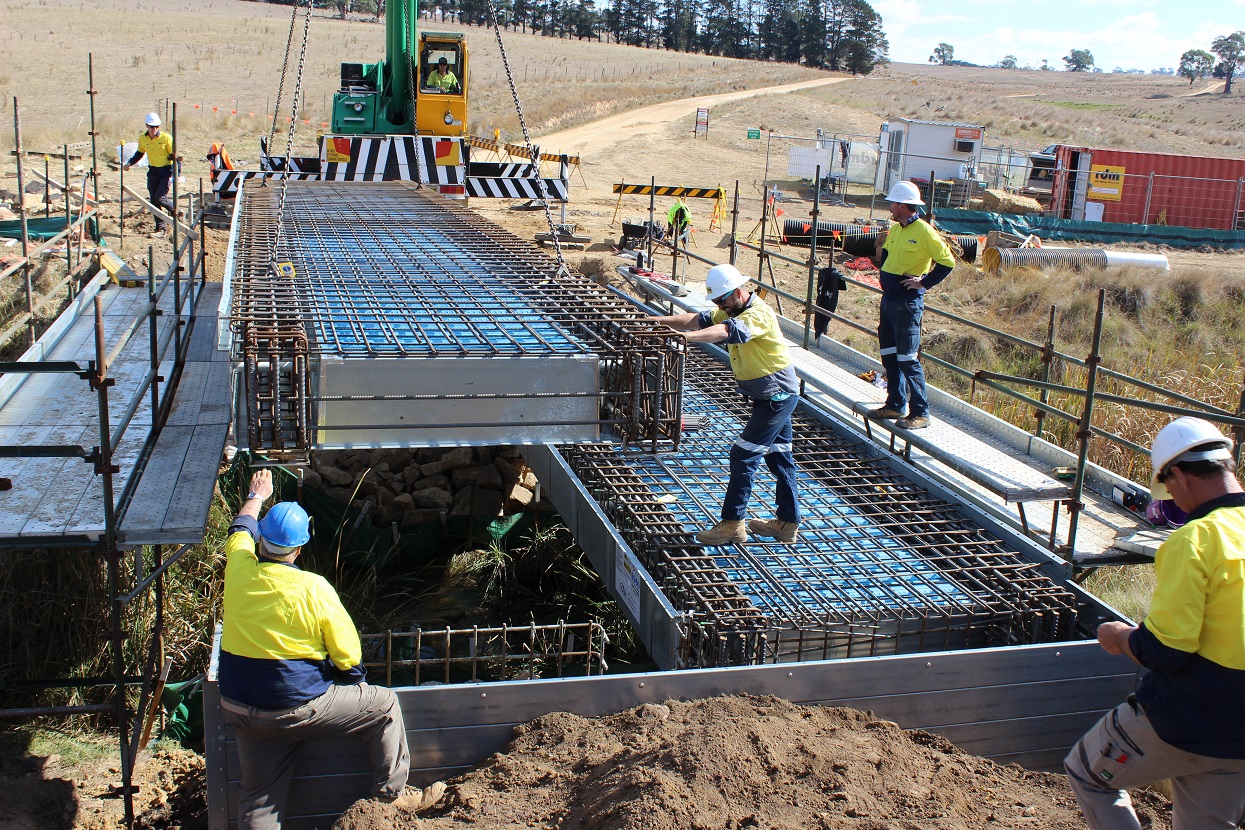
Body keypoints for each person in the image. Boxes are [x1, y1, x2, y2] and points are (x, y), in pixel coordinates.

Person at [219, 469, 446, 829]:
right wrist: (353, 681)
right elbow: (347, 652)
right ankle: (392, 797)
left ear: (260, 540)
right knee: (384, 704)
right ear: (298, 548)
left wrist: (257, 494)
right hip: (294, 706)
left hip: (240, 708)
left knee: (259, 798)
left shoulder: (239, 568)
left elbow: (240, 527)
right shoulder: (314, 587)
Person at [1064, 416, 1245, 829]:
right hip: (1239, 733)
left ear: (1179, 475)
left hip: (1189, 712)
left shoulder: (1195, 540)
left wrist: (1119, 637)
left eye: (1168, 486)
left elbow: (1166, 649)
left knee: (1088, 774)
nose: (1174, 501)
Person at [652, 263, 801, 545]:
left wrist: (683, 340)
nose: (719, 305)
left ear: (737, 292)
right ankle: (787, 523)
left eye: (721, 300)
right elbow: (698, 319)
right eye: (717, 301)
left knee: (742, 455)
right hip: (769, 396)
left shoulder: (757, 315)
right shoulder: (733, 307)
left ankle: (732, 524)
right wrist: (657, 322)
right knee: (779, 455)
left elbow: (724, 332)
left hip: (776, 397)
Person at [865, 180, 955, 430]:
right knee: (890, 355)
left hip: (907, 303)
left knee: (907, 358)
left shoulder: (924, 232)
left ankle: (920, 412)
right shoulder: (896, 230)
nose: (890, 208)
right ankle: (895, 403)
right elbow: (890, 259)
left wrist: (924, 283)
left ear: (904, 205)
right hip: (889, 300)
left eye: (893, 203)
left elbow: (947, 262)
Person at [122, 112, 181, 235]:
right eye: (151, 127)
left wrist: (177, 175)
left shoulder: (167, 138)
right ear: (146, 126)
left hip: (166, 171)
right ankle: (161, 228)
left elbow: (176, 157)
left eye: (156, 127)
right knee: (153, 202)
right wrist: (129, 163)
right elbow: (140, 153)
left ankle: (177, 212)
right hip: (153, 171)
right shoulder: (143, 138)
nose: (154, 129)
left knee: (160, 198)